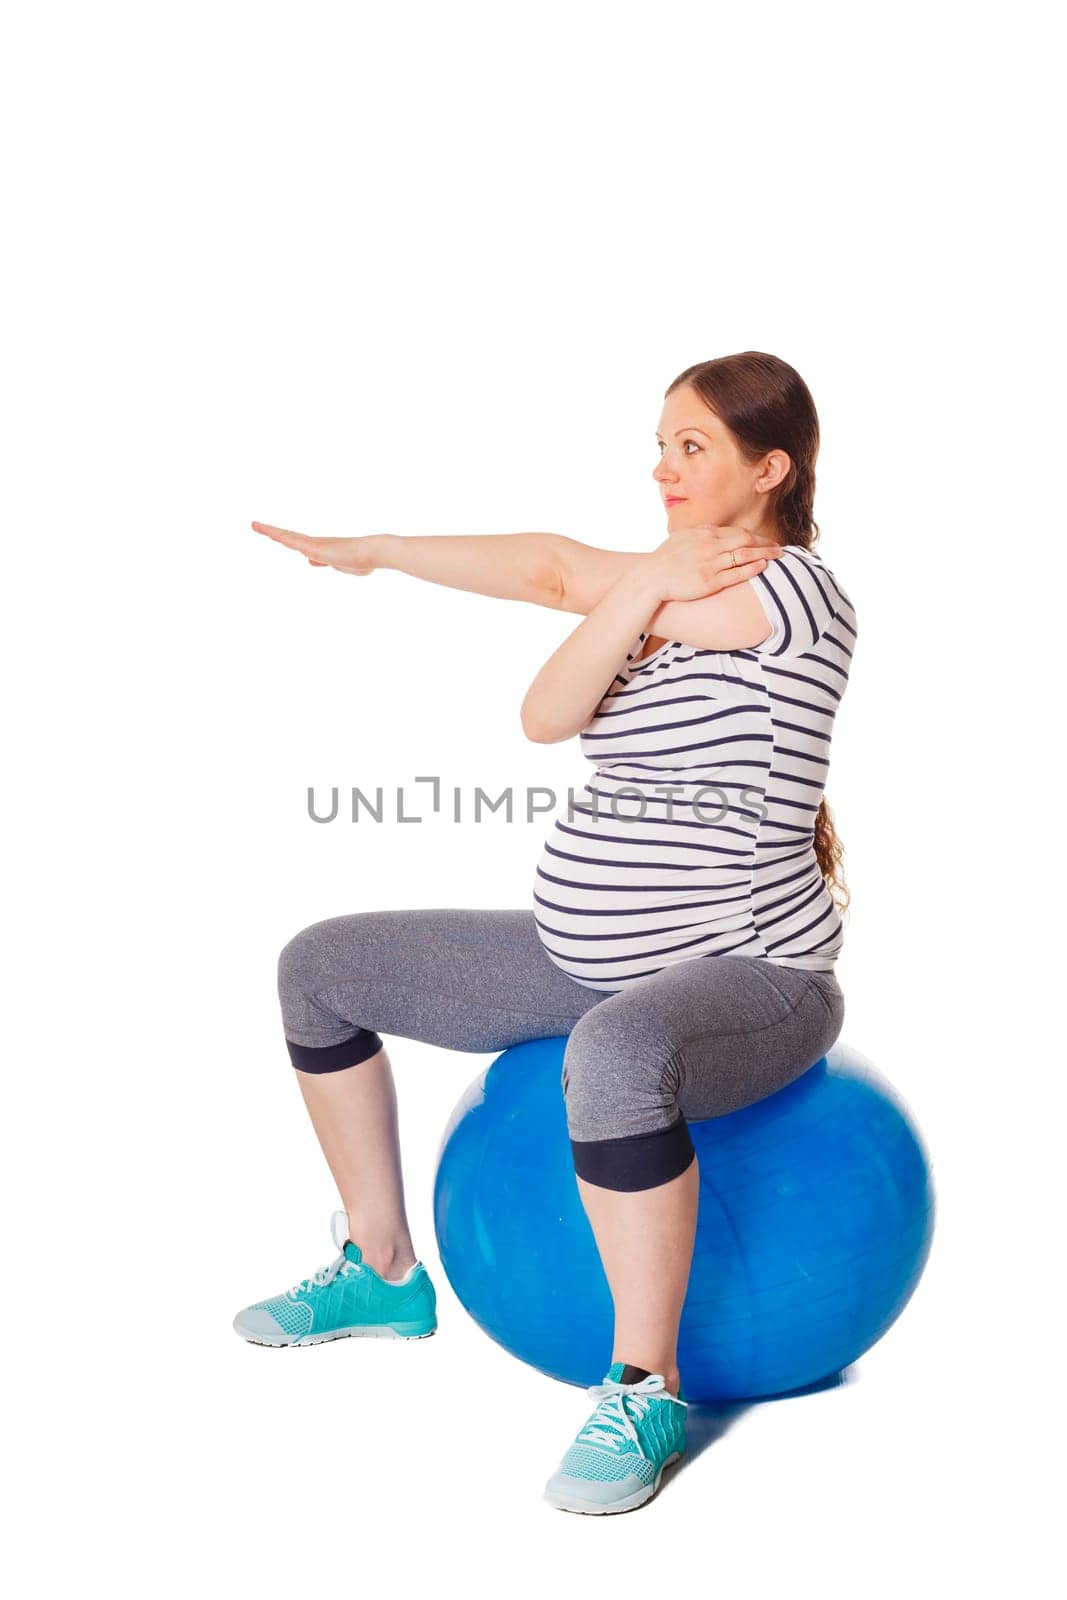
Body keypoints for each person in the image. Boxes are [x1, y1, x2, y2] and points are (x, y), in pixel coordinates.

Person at [234, 350, 857, 1516]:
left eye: (692, 448)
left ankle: (643, 1386)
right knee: (321, 969)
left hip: (750, 979)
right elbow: (552, 620)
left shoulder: (795, 592)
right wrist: (373, 552)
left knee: (616, 1055)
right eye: (659, 443)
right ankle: (380, 1266)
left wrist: (627, 586)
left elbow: (552, 643)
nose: (661, 468)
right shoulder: (667, 585)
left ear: (768, 468)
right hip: (577, 958)